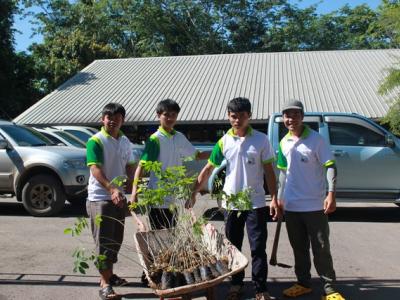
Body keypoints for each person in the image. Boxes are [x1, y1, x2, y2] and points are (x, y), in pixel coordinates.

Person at [188, 97, 281, 300]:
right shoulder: (223, 141)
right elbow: (208, 169)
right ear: (228, 116)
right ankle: (236, 285)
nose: (237, 120)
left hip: (255, 202)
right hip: (231, 203)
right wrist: (193, 192)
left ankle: (260, 288)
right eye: (233, 116)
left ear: (249, 116)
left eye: (241, 116)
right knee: (233, 246)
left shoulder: (261, 140)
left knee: (258, 248)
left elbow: (269, 172)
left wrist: (273, 197)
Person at [130, 99, 209, 283]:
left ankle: (169, 273)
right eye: (166, 114)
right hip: (158, 197)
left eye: (174, 114)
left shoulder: (179, 137)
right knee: (159, 236)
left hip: (175, 198)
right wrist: (135, 192)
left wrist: (218, 151)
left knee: (173, 235)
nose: (170, 118)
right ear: (159, 116)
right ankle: (151, 273)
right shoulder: (155, 139)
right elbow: (142, 166)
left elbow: (195, 155)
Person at [277, 100, 345, 300]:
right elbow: (282, 172)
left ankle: (329, 288)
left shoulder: (316, 140)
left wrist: (331, 194)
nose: (291, 119)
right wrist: (279, 199)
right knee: (299, 248)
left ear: (302, 116)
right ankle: (303, 283)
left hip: (315, 204)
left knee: (321, 248)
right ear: (283, 119)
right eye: (287, 115)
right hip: (291, 205)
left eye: (296, 114)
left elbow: (330, 165)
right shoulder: (283, 142)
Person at [86, 103, 136, 300]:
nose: (112, 120)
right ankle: (105, 284)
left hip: (119, 198)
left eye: (116, 117)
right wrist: (112, 188)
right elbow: (95, 168)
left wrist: (132, 187)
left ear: (123, 120)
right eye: (108, 116)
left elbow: (131, 165)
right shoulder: (95, 141)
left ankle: (110, 275)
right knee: (104, 242)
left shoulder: (124, 141)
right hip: (101, 198)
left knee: (115, 240)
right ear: (102, 119)